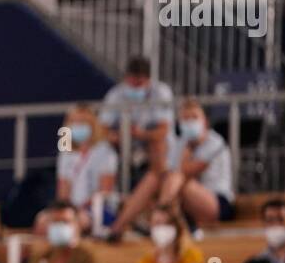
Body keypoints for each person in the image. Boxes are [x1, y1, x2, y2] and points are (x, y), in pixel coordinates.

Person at [109, 99, 233, 239]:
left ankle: (159, 219)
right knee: (153, 177)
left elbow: (185, 171)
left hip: (216, 204)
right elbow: (166, 174)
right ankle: (117, 228)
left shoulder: (215, 143)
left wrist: (185, 153)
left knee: (176, 178)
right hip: (182, 202)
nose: (190, 122)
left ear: (205, 121)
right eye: (186, 118)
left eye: (194, 117)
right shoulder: (179, 143)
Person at [98, 55, 175, 178]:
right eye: (131, 83)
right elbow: (102, 128)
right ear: (126, 78)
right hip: (124, 143)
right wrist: (117, 136)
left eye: (139, 84)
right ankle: (109, 192)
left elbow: (163, 131)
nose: (134, 87)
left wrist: (140, 134)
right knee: (102, 147)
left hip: (152, 144)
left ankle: (160, 186)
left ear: (148, 80)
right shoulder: (115, 94)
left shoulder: (161, 92)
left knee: (158, 144)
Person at [55, 104, 118, 235]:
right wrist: (65, 210)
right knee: (44, 221)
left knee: (76, 222)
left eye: (82, 122)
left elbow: (104, 191)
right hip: (73, 209)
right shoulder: (65, 153)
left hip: (98, 209)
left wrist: (79, 210)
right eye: (74, 122)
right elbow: (63, 191)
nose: (77, 126)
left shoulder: (105, 152)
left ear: (93, 125)